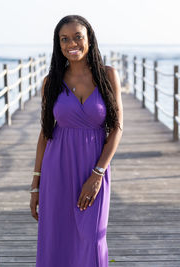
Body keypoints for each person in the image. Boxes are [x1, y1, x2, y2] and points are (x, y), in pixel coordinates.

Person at [29, 15, 123, 266]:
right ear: (58, 45)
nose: (72, 43)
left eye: (78, 36)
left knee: (93, 237)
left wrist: (97, 174)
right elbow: (45, 133)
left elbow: (116, 128)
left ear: (89, 39)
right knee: (57, 238)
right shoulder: (51, 82)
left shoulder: (107, 76)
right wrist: (36, 185)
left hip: (94, 166)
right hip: (57, 168)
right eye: (64, 39)